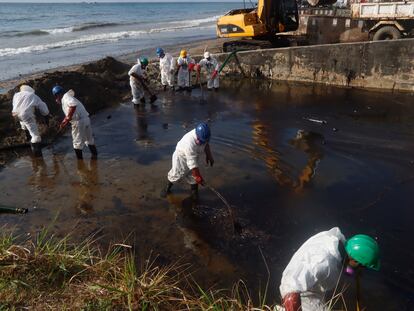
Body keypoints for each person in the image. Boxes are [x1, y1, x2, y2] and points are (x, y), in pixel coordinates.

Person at [280, 227, 380, 311]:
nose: (362, 270)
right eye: (362, 266)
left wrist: (350, 271)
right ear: (355, 260)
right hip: (303, 295)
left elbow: (346, 265)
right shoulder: (321, 263)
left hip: (314, 285)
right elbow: (290, 293)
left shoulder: (339, 243)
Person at [160, 122, 214, 198]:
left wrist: (209, 156)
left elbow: (206, 145)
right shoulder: (189, 143)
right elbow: (192, 163)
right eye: (200, 140)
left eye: (203, 141)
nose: (201, 142)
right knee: (177, 174)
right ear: (196, 135)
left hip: (193, 155)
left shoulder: (204, 136)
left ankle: (194, 194)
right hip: (181, 157)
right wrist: (198, 176)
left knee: (193, 177)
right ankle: (167, 188)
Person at [52, 85, 98, 160]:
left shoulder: (66, 97)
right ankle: (95, 158)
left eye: (56, 96)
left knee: (77, 144)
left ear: (57, 95)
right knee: (90, 140)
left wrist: (67, 119)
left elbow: (73, 105)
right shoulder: (67, 97)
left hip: (79, 122)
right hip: (86, 119)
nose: (56, 99)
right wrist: (65, 120)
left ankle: (80, 164)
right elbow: (70, 109)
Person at [12, 85, 50, 157]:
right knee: (36, 137)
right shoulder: (33, 96)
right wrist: (46, 116)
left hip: (15, 114)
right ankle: (38, 158)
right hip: (26, 115)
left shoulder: (16, 95)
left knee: (23, 121)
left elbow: (17, 107)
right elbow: (44, 109)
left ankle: (28, 137)